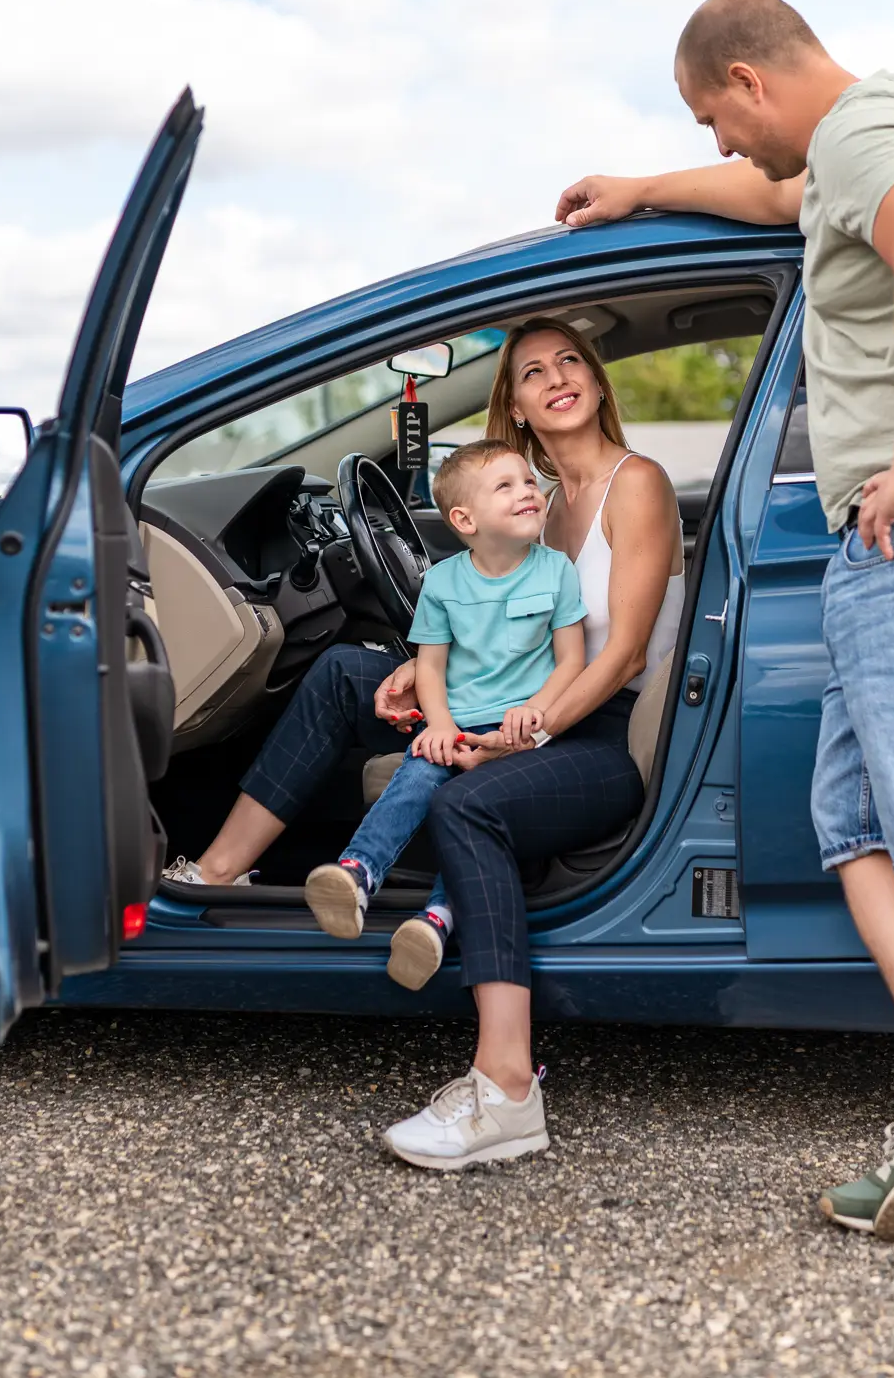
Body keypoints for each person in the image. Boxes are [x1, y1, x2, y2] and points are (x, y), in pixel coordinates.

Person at [557, 0, 894, 1241]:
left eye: (712, 118)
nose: (726, 144)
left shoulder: (864, 128)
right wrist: (644, 186)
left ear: (747, 76)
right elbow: (770, 201)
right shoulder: (849, 152)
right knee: (858, 827)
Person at [165, 316, 684, 1170]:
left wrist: (516, 739)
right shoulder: (540, 503)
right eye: (530, 372)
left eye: (569, 362)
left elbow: (620, 652)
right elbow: (509, 630)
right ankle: (217, 873)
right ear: (513, 405)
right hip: (527, 708)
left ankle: (508, 1090)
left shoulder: (638, 485)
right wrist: (426, 676)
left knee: (472, 802)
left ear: (596, 379)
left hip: (600, 734)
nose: (555, 376)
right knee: (341, 673)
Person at [303, 439, 587, 994]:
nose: (528, 491)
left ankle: (437, 919)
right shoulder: (443, 582)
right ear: (464, 519)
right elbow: (428, 669)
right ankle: (358, 874)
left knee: (478, 812)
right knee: (418, 774)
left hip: (520, 734)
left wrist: (536, 712)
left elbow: (572, 660)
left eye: (528, 481)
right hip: (455, 722)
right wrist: (436, 725)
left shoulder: (557, 571)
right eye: (505, 486)